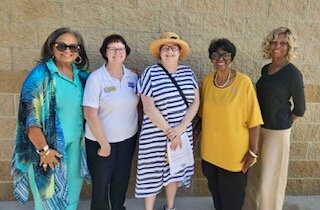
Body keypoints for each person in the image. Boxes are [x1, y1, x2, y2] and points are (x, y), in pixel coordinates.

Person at [11, 27, 90, 210]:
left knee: (72, 196)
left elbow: (103, 84)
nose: (68, 51)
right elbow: (29, 121)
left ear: (79, 51)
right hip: (48, 149)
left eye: (73, 47)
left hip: (75, 147)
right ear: (51, 48)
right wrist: (44, 150)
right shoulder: (39, 76)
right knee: (48, 200)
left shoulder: (81, 76)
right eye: (62, 46)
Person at [135, 32, 199, 210]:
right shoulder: (150, 72)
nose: (169, 51)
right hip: (155, 134)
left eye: (173, 48)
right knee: (151, 173)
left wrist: (180, 128)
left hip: (181, 132)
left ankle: (169, 207)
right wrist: (170, 132)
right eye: (165, 48)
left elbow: (195, 103)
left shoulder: (188, 73)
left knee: (175, 171)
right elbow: (148, 107)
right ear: (159, 53)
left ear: (179, 52)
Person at [243, 27, 306, 210]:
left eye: (282, 43)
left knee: (272, 180)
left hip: (277, 133)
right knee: (254, 175)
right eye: (274, 42)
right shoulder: (265, 69)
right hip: (258, 129)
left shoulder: (292, 73)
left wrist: (284, 123)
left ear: (289, 47)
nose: (277, 46)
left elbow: (300, 109)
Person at [199, 38, 263, 210]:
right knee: (216, 194)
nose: (220, 59)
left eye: (225, 55)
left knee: (232, 200)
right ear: (211, 58)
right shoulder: (206, 82)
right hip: (210, 153)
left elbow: (254, 120)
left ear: (232, 58)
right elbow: (202, 116)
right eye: (215, 54)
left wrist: (253, 151)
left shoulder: (244, 82)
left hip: (235, 156)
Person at [83, 34, 139, 210]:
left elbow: (140, 105)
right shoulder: (96, 78)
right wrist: (104, 144)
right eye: (112, 49)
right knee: (100, 186)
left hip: (127, 140)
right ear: (105, 52)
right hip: (100, 143)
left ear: (126, 52)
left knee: (121, 181)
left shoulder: (132, 77)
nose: (117, 52)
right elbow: (90, 114)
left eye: (121, 49)